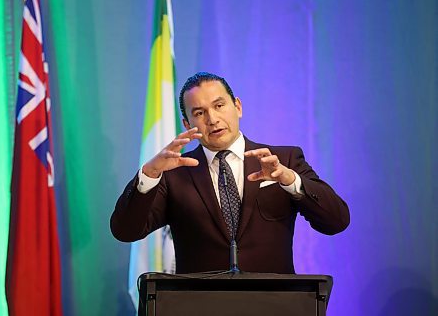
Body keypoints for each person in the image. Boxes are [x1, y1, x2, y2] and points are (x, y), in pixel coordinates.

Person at [110, 72, 349, 274]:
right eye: (199, 113)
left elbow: (336, 221)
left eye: (219, 105)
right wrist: (150, 173)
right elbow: (126, 231)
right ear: (187, 124)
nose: (212, 119)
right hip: (200, 307)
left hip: (275, 305)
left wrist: (289, 180)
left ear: (237, 106)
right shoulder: (174, 172)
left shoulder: (283, 160)